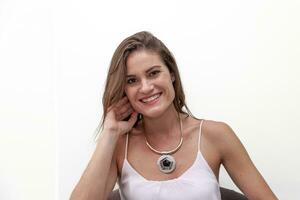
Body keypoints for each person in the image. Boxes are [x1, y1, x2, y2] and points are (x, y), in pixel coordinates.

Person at [70, 31, 278, 200]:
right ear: (124, 90)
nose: (146, 87)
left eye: (153, 73)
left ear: (171, 74)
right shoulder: (118, 145)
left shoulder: (216, 135)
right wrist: (110, 132)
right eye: (132, 80)